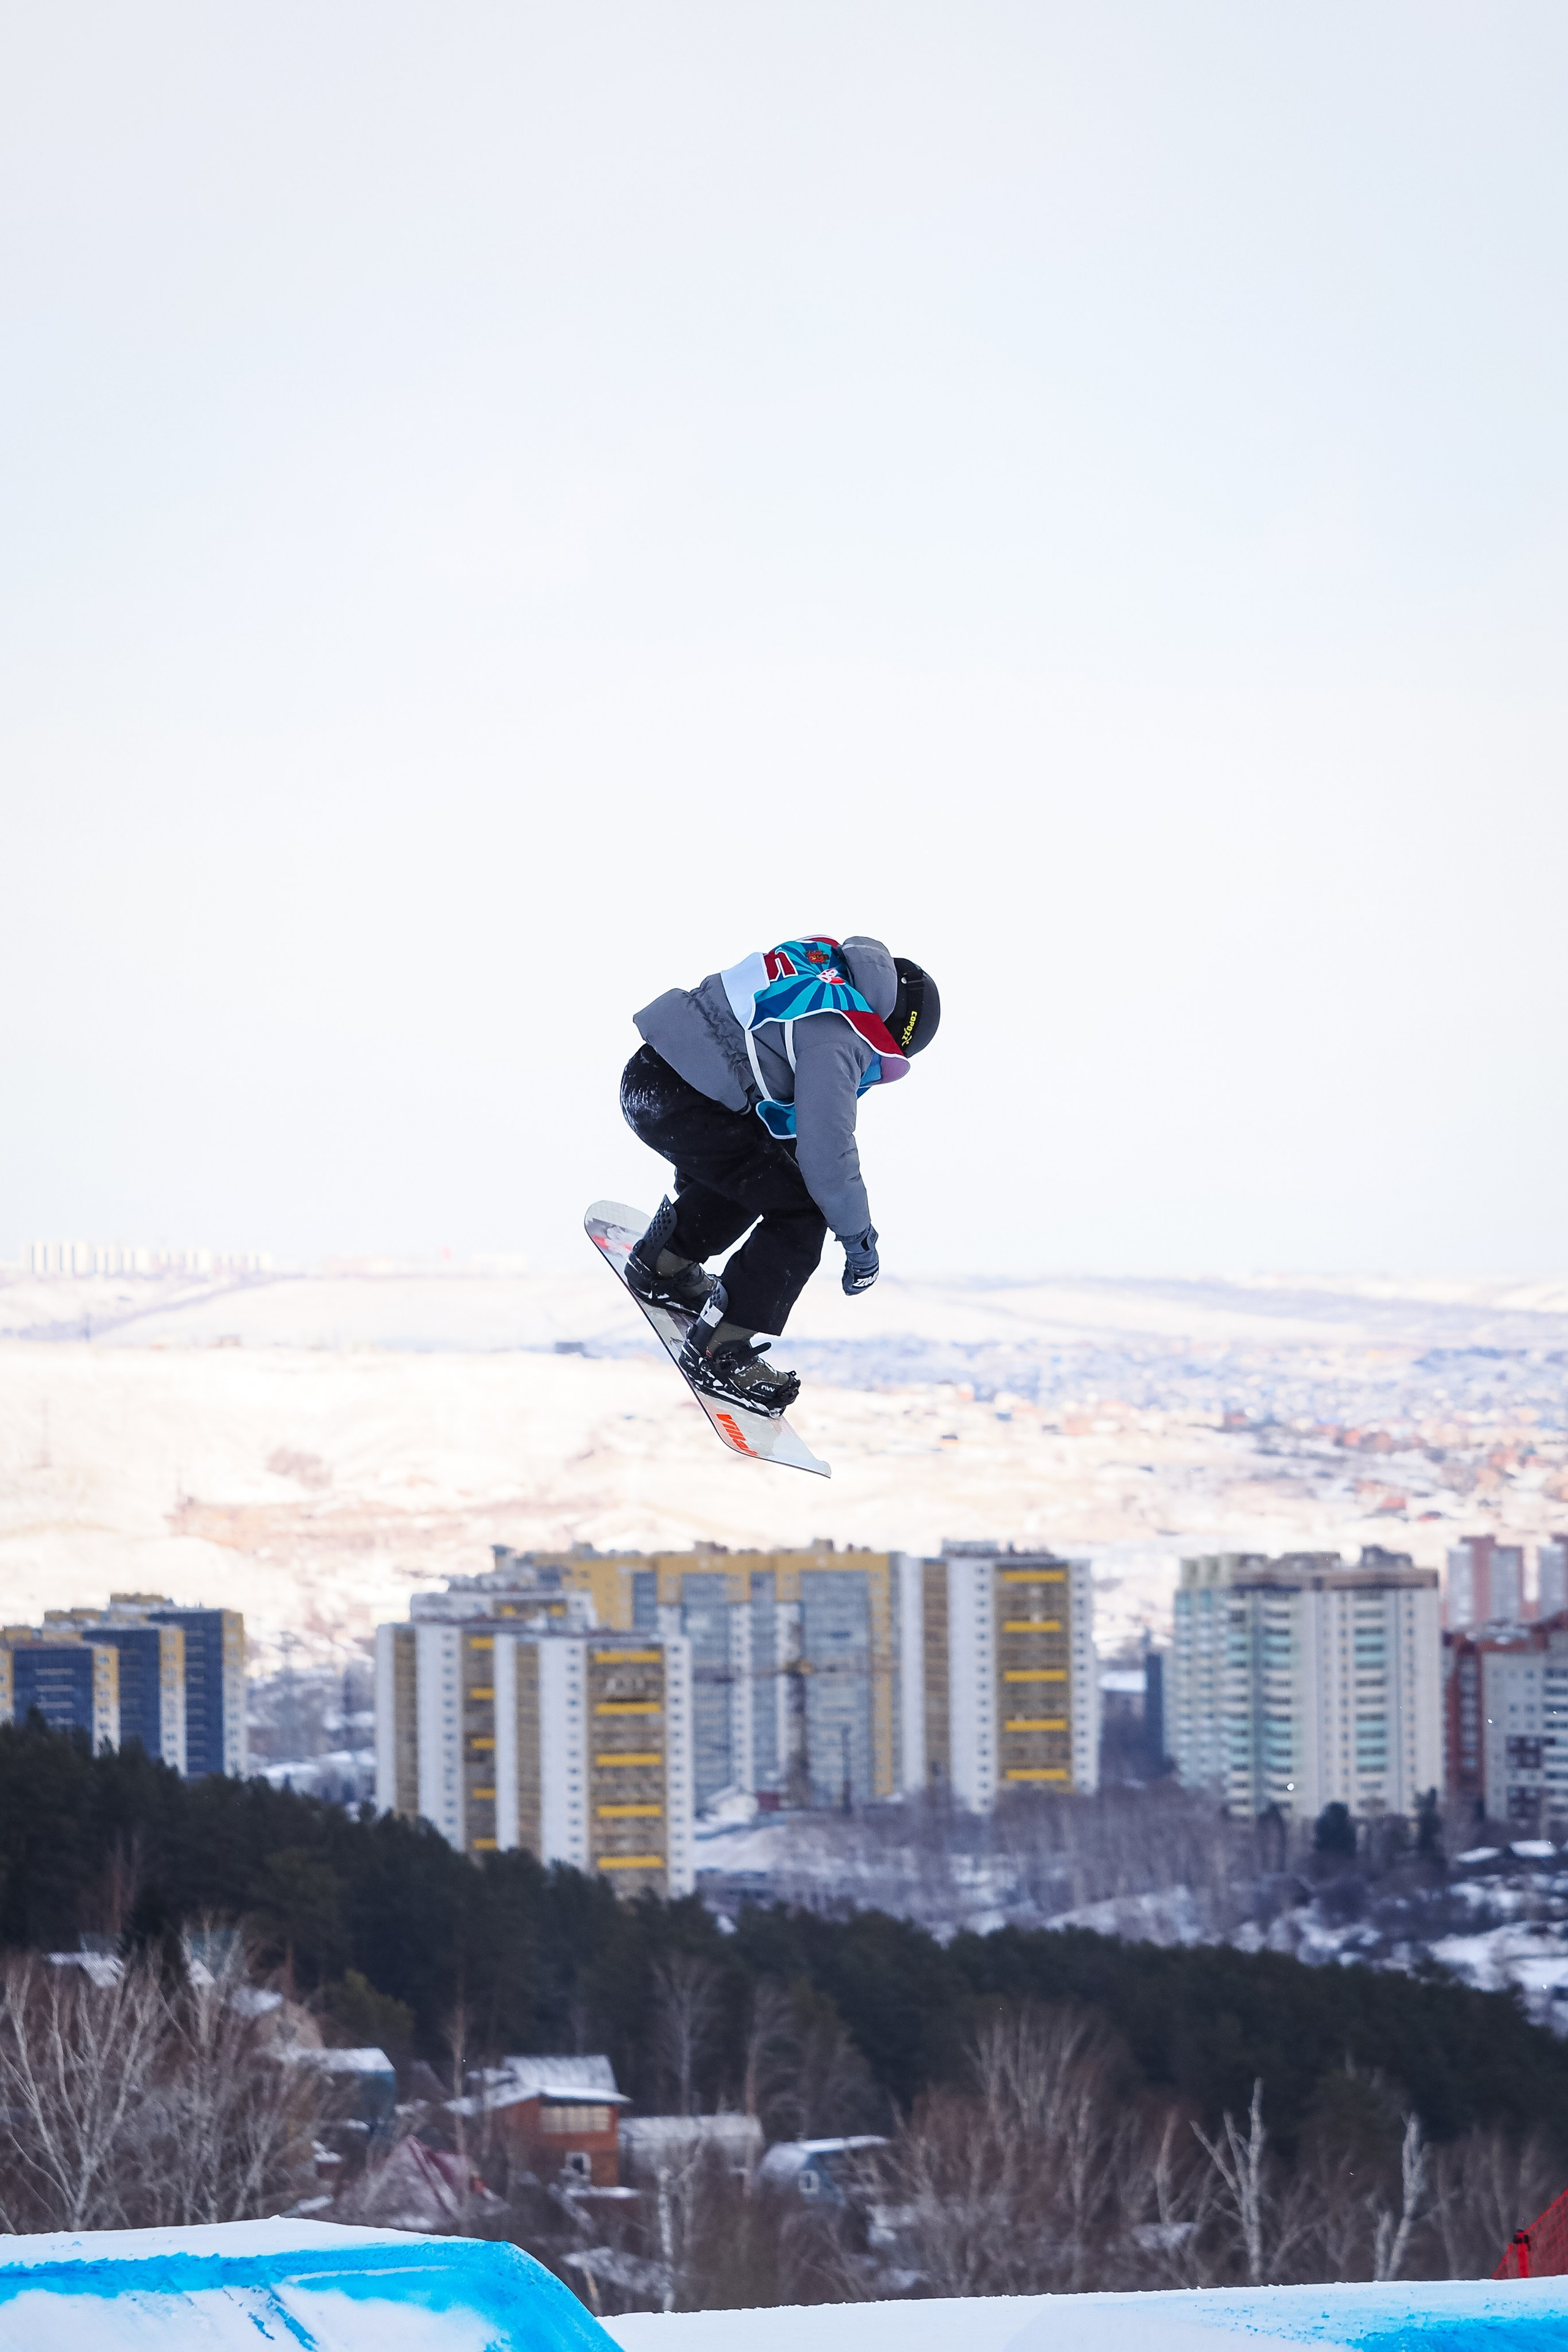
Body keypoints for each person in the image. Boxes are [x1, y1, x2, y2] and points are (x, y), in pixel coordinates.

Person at [619, 934, 940, 1414]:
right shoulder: (840, 1029)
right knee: (804, 1214)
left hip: (651, 1080)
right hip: (684, 1104)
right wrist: (859, 1241)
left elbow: (732, 1057)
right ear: (892, 1033)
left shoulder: (817, 968)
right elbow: (828, 1152)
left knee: (771, 1174)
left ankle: (664, 1261)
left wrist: (700, 1187)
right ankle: (719, 1352)